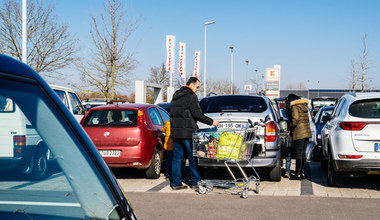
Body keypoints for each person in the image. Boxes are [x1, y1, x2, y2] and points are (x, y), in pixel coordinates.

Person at [170, 77, 219, 190]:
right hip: (188, 133)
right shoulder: (191, 96)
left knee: (177, 158)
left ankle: (176, 183)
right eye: (197, 87)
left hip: (176, 133)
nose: (197, 90)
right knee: (193, 157)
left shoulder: (176, 96)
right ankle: (195, 182)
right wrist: (212, 122)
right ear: (192, 85)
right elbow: (197, 114)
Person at [286, 94, 312, 180]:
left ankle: (297, 174)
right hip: (306, 132)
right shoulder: (304, 106)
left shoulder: (294, 106)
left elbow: (295, 119)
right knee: (303, 154)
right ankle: (302, 173)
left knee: (298, 154)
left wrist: (290, 126)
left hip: (299, 133)